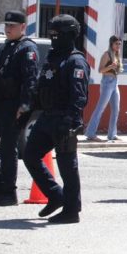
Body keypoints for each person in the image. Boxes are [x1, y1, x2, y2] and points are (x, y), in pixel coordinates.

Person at [23, 14, 89, 224]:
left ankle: (71, 210)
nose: (53, 38)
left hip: (64, 119)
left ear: (69, 35)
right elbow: (42, 87)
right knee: (30, 155)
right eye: (51, 34)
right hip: (47, 117)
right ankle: (55, 195)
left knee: (68, 167)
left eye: (57, 35)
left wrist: (70, 121)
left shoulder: (75, 61)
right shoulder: (53, 57)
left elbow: (79, 96)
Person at [0, 10, 39, 207]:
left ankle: (9, 192)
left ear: (23, 27)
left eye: (12, 26)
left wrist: (24, 105)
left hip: (13, 106)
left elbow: (30, 79)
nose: (8, 29)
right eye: (6, 25)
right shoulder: (6, 47)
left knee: (7, 149)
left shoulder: (27, 49)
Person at [84, 35, 124, 142]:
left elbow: (117, 70)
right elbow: (100, 70)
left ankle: (112, 134)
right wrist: (110, 67)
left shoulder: (117, 54)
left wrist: (118, 68)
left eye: (119, 44)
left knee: (116, 109)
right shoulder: (107, 54)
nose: (118, 46)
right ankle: (90, 133)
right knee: (100, 108)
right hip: (107, 82)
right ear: (111, 44)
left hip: (115, 82)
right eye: (116, 44)